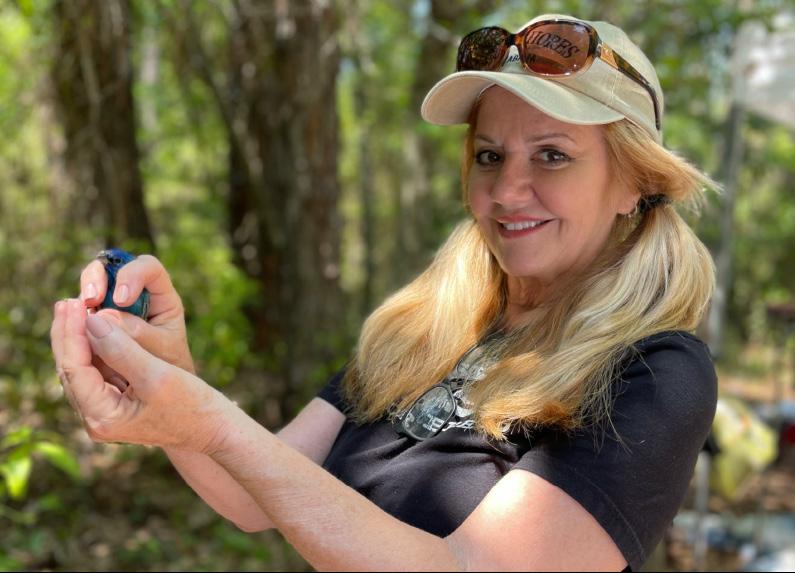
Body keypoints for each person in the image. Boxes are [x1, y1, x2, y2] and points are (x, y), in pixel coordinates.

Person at [51, 13, 718, 571]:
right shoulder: (423, 332)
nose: (507, 189)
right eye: (489, 155)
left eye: (552, 155)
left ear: (634, 182)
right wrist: (166, 370)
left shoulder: (656, 374)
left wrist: (207, 420)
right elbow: (252, 492)